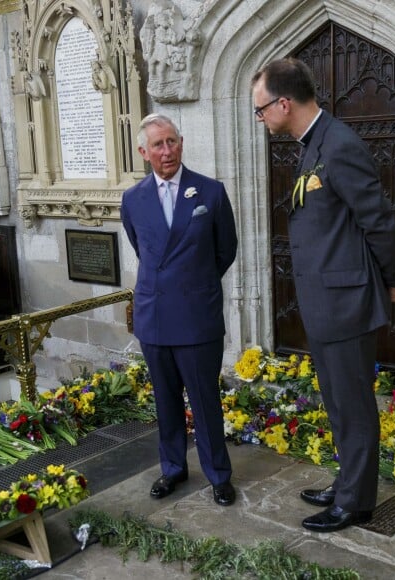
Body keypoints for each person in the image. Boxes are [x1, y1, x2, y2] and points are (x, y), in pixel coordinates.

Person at [251, 58, 395, 532]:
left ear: (283, 102)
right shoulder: (311, 143)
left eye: (260, 110)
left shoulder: (338, 144)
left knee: (353, 405)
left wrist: (392, 282)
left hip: (346, 301)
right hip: (327, 301)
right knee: (338, 402)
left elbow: (378, 219)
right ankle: (347, 483)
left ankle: (357, 503)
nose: (260, 119)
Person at [121, 113, 238, 506]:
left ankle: (218, 474)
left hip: (197, 315)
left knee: (205, 400)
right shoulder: (133, 199)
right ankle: (172, 468)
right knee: (165, 400)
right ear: (143, 152)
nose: (166, 151)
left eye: (172, 141)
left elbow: (226, 249)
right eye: (158, 144)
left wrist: (194, 283)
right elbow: (144, 249)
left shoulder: (210, 192)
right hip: (154, 316)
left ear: (182, 143)